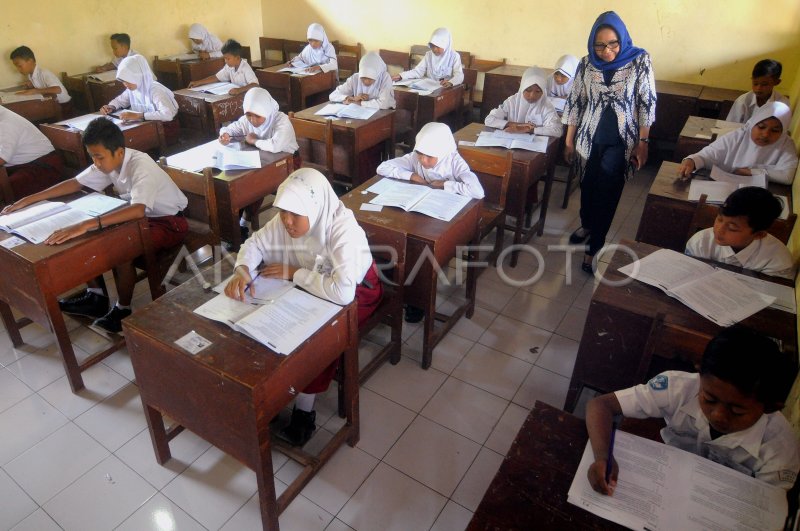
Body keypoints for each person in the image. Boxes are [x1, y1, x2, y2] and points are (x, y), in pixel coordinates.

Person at [224, 168, 382, 446]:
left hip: (359, 294)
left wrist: (293, 272)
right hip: (311, 285)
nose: (286, 220)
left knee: (318, 338)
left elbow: (343, 293)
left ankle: (304, 412)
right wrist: (242, 269)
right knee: (267, 325)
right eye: (283, 211)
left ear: (315, 207)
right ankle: (273, 394)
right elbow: (255, 242)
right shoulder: (287, 218)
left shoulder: (343, 231)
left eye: (294, 214)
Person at [0, 118, 188, 335]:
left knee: (120, 249)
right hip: (140, 218)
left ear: (119, 152)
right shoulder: (109, 161)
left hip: (169, 222)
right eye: (92, 157)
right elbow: (76, 182)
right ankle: (96, 296)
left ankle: (122, 310)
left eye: (99, 157)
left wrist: (88, 223)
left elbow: (137, 209)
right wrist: (32, 199)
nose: (96, 163)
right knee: (86, 236)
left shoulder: (140, 165)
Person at [585, 326, 800, 494]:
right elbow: (601, 405)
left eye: (737, 411)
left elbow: (765, 508)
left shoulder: (780, 449)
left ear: (770, 407)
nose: (718, 415)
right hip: (664, 477)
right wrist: (602, 457)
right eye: (709, 399)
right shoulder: (678, 387)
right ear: (699, 375)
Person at [562, 11, 656, 274]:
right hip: (588, 140)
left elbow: (646, 102)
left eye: (612, 43)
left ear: (622, 39)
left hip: (621, 142)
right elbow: (575, 102)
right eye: (600, 44)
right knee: (588, 188)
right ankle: (587, 224)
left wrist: (644, 141)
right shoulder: (585, 64)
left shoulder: (640, 61)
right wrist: (569, 141)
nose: (606, 51)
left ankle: (593, 250)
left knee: (607, 195)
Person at [219, 87, 299, 240]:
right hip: (261, 161)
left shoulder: (280, 120)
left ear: (267, 111)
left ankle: (243, 222)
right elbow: (231, 129)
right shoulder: (246, 121)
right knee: (245, 184)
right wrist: (225, 135)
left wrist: (254, 141)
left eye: (257, 116)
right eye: (248, 115)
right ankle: (236, 226)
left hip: (287, 162)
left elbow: (275, 145)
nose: (252, 120)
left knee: (254, 184)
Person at [685, 186, 794, 279]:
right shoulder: (700, 242)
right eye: (719, 219)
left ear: (759, 235)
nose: (719, 230)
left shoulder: (778, 261)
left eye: (732, 228)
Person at [677, 101, 797, 185]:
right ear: (752, 124)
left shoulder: (785, 144)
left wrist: (751, 172)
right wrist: (692, 160)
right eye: (761, 127)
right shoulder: (738, 136)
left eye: (775, 130)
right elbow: (708, 155)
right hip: (721, 187)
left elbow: (787, 176)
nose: (766, 134)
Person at [377, 122, 484, 199]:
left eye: (429, 156)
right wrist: (412, 176)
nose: (423, 160)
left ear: (441, 152)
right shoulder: (414, 158)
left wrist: (445, 184)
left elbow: (477, 192)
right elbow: (382, 168)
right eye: (420, 154)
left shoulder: (454, 161)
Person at [100, 54, 179, 142]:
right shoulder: (133, 89)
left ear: (137, 77)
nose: (125, 84)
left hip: (165, 130)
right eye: (123, 81)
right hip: (146, 127)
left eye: (128, 80)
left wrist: (138, 116)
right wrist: (111, 106)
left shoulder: (155, 90)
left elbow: (167, 115)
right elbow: (120, 101)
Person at [0, 106, 64, 199]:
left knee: (3, 190)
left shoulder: (5, 123)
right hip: (16, 166)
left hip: (40, 168)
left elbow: (2, 159)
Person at [484, 66, 563, 136]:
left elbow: (557, 130)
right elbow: (489, 120)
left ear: (543, 91)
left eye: (538, 91)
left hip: (534, 146)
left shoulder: (546, 105)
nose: (532, 95)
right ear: (522, 87)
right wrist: (518, 125)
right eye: (528, 90)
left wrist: (529, 129)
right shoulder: (512, 101)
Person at [391, 27, 464, 87]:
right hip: (430, 88)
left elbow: (459, 75)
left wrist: (450, 82)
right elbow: (418, 71)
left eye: (438, 46)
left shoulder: (454, 57)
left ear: (446, 45)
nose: (434, 49)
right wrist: (401, 76)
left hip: (446, 89)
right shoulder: (429, 55)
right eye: (432, 46)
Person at [187, 39, 258, 95]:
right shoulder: (229, 67)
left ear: (237, 58)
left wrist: (239, 90)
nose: (225, 61)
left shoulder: (245, 67)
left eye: (228, 59)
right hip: (235, 95)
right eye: (224, 58)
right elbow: (217, 77)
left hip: (247, 96)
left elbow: (255, 85)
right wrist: (199, 82)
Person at [329, 51, 396, 109]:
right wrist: (350, 98)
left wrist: (359, 103)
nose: (366, 82)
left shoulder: (385, 78)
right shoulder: (355, 78)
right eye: (363, 78)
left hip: (382, 114)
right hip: (360, 113)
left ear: (377, 75)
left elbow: (384, 104)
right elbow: (333, 95)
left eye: (370, 79)